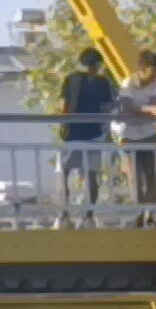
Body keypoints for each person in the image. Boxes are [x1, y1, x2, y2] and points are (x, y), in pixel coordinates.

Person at [56, 48, 116, 229]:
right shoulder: (102, 82)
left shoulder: (71, 79)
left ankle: (65, 215)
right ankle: (87, 216)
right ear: (98, 64)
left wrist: (63, 125)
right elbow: (106, 108)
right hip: (94, 134)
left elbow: (65, 106)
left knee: (65, 173)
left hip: (73, 133)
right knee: (91, 175)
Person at [113, 50, 156, 227]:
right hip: (130, 136)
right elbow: (127, 108)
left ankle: (151, 214)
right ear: (142, 70)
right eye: (153, 72)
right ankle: (138, 213)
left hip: (150, 134)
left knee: (152, 176)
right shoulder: (128, 83)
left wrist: (142, 111)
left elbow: (155, 106)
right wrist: (148, 111)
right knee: (135, 177)